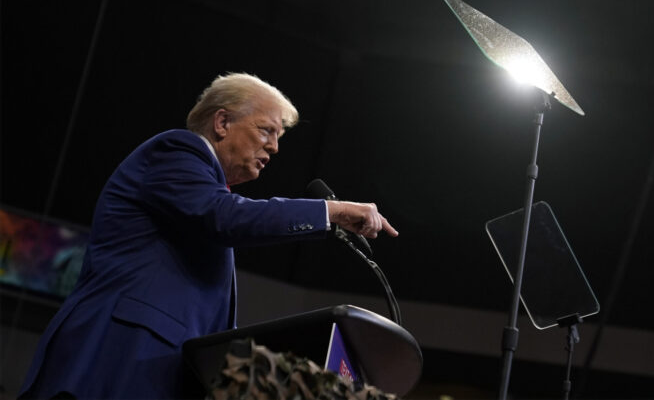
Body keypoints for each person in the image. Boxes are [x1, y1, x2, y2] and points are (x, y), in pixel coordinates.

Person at [19, 73, 398, 399]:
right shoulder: (177, 152)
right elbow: (226, 217)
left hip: (158, 375)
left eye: (278, 136)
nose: (275, 146)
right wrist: (329, 211)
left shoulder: (210, 195)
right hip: (115, 361)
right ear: (222, 123)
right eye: (266, 130)